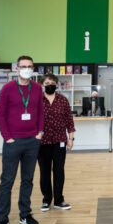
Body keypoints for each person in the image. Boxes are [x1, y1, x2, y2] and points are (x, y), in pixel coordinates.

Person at [0, 55, 44, 224]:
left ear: (33, 68)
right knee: (7, 181)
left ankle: (25, 214)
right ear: (16, 69)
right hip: (13, 142)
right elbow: (0, 116)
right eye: (23, 66)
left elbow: (40, 112)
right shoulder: (7, 89)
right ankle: (2, 219)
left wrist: (40, 132)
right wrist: (7, 137)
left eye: (30, 66)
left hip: (32, 141)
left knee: (27, 180)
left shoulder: (37, 88)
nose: (26, 69)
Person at [38, 73, 75, 212]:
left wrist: (70, 139)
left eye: (52, 83)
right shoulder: (38, 100)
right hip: (42, 142)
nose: (49, 85)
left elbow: (69, 121)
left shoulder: (63, 100)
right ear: (42, 85)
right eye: (46, 83)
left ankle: (59, 200)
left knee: (59, 171)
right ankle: (46, 200)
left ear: (56, 84)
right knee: (44, 172)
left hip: (60, 141)